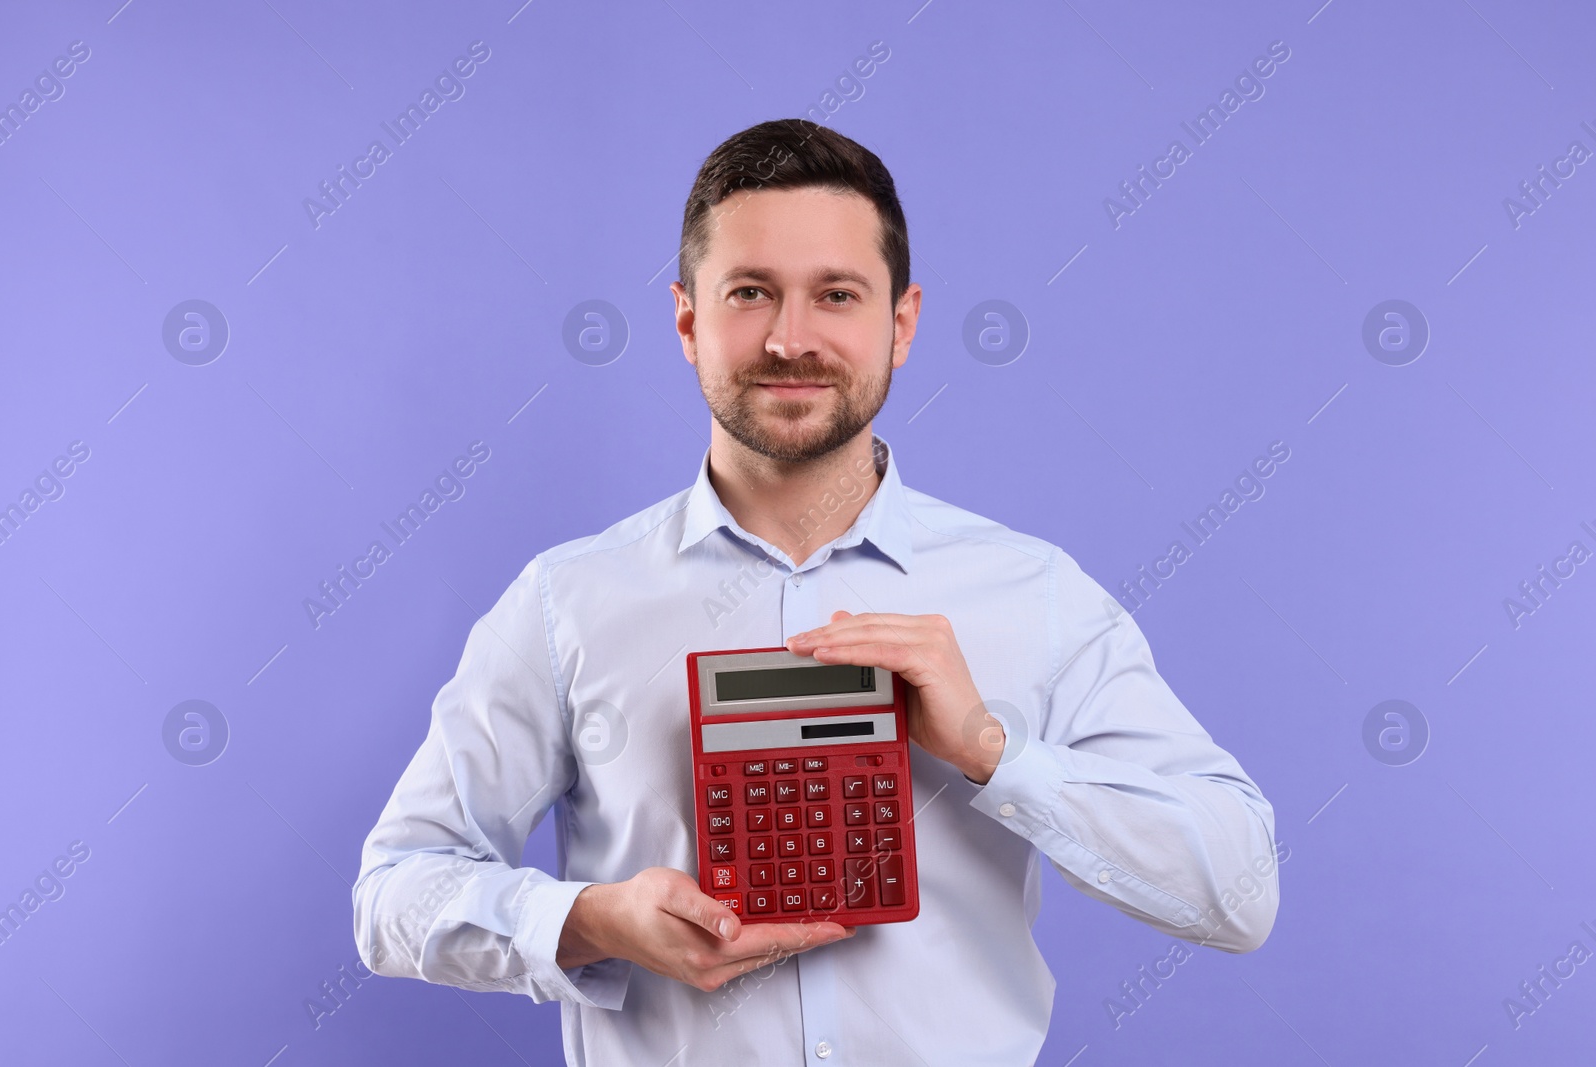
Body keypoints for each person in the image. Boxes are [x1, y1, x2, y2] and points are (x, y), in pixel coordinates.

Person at [353, 118, 1280, 1066]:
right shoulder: (565, 603)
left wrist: (997, 752)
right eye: (750, 293)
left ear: (902, 322)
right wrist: (590, 920)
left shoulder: (1036, 594)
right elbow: (391, 892)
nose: (791, 340)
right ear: (687, 320)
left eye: (836, 295)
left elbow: (1240, 891)